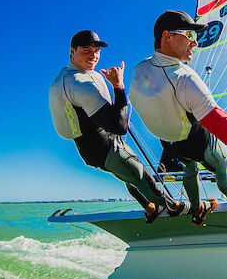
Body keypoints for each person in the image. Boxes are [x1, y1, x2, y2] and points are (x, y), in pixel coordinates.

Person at [130, 10, 227, 226]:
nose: (195, 43)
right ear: (167, 37)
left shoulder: (140, 69)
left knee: (190, 168)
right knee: (222, 164)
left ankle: (197, 207)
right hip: (194, 140)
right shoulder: (185, 79)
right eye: (190, 36)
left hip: (170, 142)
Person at [49, 30, 190, 223]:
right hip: (104, 146)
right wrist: (118, 86)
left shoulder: (69, 75)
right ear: (72, 51)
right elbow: (119, 126)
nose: (93, 55)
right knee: (140, 175)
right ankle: (175, 210)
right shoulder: (79, 83)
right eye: (86, 50)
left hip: (91, 149)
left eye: (96, 51)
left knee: (130, 176)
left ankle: (150, 209)